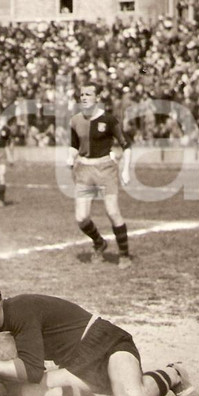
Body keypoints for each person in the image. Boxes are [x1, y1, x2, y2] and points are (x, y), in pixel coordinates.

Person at [0, 278, 199, 396]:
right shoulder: (0, 330)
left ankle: (174, 374)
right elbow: (19, 383)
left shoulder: (20, 310)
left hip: (106, 345)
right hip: (78, 364)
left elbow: (32, 371)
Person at [67, 83, 135, 268]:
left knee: (112, 211)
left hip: (105, 169)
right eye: (81, 94)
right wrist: (70, 157)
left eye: (88, 94)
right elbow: (74, 144)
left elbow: (126, 145)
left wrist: (126, 169)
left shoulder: (109, 120)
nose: (84, 97)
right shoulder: (75, 121)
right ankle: (99, 242)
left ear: (97, 98)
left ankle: (124, 255)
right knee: (81, 218)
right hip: (84, 170)